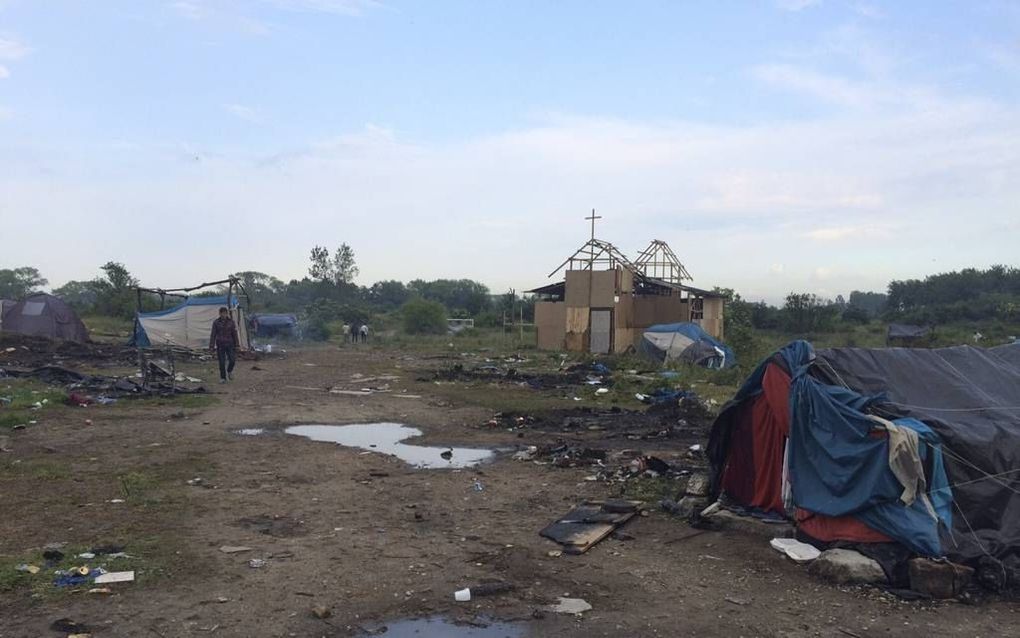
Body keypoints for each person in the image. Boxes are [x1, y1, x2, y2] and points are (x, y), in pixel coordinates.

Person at [209, 307, 240, 383]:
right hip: (220, 344)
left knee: (232, 360)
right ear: (219, 314)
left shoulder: (231, 322)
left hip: (230, 344)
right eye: (222, 313)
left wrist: (237, 345)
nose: (223, 315)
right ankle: (223, 378)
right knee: (222, 362)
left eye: (225, 313)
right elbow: (213, 334)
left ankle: (229, 371)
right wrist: (211, 346)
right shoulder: (216, 322)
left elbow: (234, 334)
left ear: (227, 313)